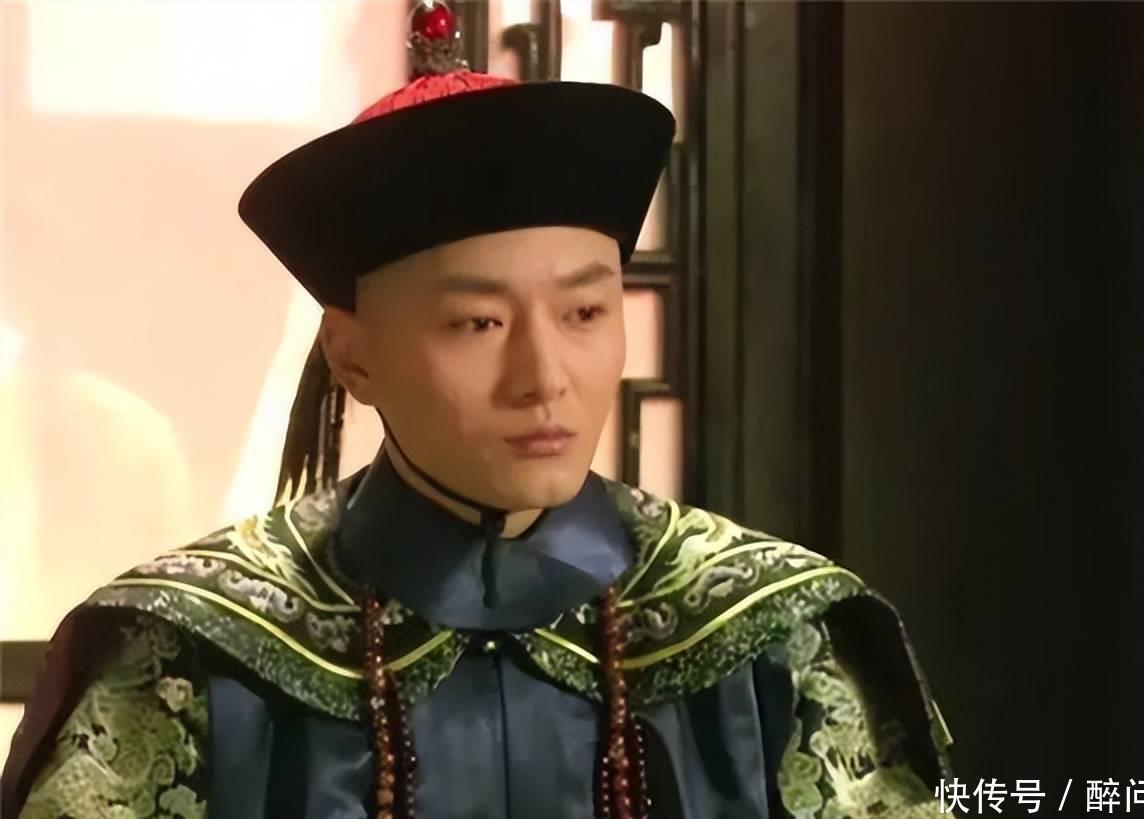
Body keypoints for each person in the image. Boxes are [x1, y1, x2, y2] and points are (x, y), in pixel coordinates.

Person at [1, 2, 955, 817]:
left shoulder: (774, 636)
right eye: (477, 323)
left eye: (585, 313)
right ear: (354, 355)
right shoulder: (186, 652)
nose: (544, 375)